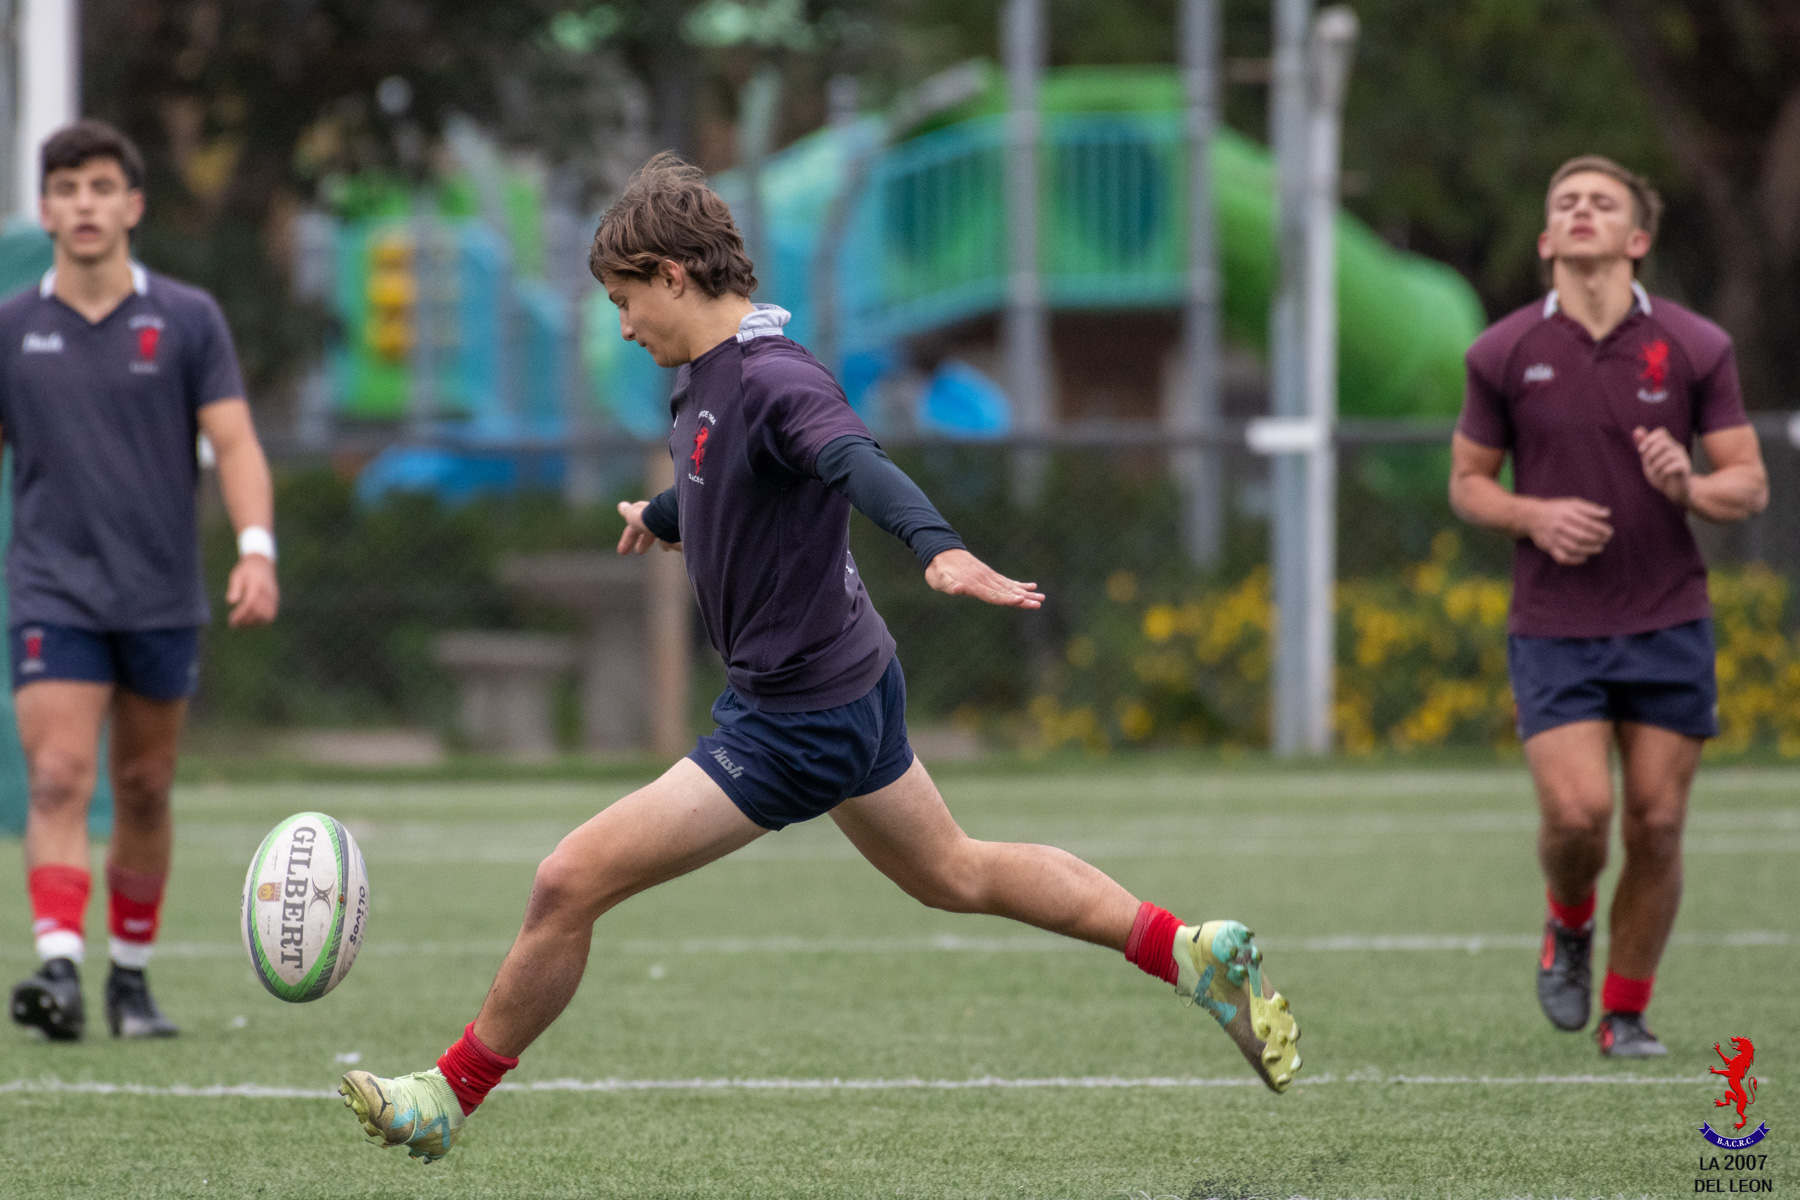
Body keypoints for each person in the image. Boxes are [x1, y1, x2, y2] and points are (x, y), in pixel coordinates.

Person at [339, 153, 1301, 1162]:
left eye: (625, 300)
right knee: (954, 871)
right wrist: (662, 514)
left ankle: (447, 1095)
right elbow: (731, 479)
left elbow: (851, 459)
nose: (623, 326)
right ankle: (1187, 951)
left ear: (673, 274)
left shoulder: (774, 376)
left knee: (566, 881)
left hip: (796, 720)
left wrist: (938, 547)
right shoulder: (712, 376)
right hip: (848, 682)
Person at [1450, 155, 1767, 1057]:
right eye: (1566, 202)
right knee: (1578, 815)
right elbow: (1468, 485)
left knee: (1657, 823)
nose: (1582, 211)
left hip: (1669, 618)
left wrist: (1689, 486)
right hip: (1555, 627)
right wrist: (1533, 514)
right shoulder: (1503, 352)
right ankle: (1570, 919)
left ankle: (1625, 1014)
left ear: (1637, 238)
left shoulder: (1696, 346)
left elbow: (1748, 484)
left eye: (1602, 202)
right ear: (1546, 238)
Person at [5, 121, 279, 1041]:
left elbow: (234, 442)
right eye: (66, 189)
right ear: (45, 210)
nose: (83, 204)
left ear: (133, 206)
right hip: (51, 591)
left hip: (160, 594)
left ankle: (129, 978)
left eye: (100, 187)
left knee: (147, 785)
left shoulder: (188, 319)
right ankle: (59, 969)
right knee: (56, 776)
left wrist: (256, 549)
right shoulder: (11, 328)